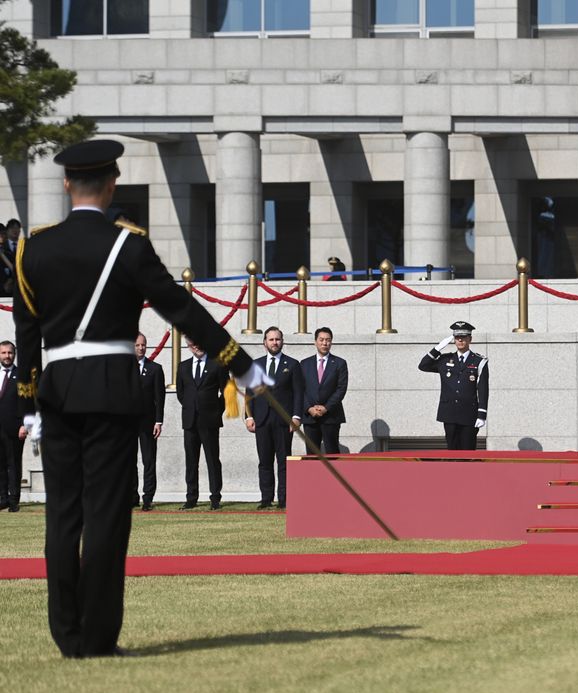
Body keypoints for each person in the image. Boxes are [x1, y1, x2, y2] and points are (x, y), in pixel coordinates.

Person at [11, 139, 264, 658]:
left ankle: (67, 636)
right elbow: (181, 311)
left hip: (57, 392)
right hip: (109, 389)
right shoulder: (128, 245)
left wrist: (31, 404)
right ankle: (98, 637)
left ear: (65, 185)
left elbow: (27, 335)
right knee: (105, 514)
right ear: (112, 184)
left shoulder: (33, 249)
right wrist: (241, 364)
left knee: (63, 515)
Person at [244, 326, 303, 508]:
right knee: (265, 461)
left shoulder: (293, 365)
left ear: (282, 341)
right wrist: (248, 417)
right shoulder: (256, 365)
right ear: (264, 343)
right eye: (271, 339)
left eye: (277, 339)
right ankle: (266, 499)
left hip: (284, 421)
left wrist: (296, 417)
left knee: (284, 462)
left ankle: (284, 500)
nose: (274, 342)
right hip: (261, 419)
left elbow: (299, 393)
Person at [418, 321, 489, 450]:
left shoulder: (479, 361)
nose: (460, 340)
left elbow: (483, 389)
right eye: (457, 337)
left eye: (464, 337)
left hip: (469, 414)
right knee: (452, 451)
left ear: (470, 339)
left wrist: (482, 414)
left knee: (468, 451)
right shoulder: (445, 360)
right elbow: (423, 366)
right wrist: (437, 349)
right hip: (449, 413)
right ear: (454, 340)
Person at [177, 338, 228, 510]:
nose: (196, 346)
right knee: (191, 461)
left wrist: (215, 410)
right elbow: (181, 393)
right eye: (192, 343)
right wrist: (191, 407)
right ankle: (191, 497)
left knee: (212, 460)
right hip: (190, 421)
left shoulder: (217, 364)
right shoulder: (183, 366)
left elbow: (226, 391)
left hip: (210, 421)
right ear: (188, 345)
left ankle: (215, 497)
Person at [300, 327, 348, 455]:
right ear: (315, 342)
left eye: (328, 340)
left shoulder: (340, 363)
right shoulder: (304, 364)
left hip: (331, 416)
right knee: (311, 455)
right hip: (310, 417)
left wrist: (326, 407)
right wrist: (309, 408)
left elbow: (341, 389)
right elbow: (300, 389)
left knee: (332, 453)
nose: (324, 343)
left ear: (331, 342)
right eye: (321, 340)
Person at [132, 333, 165, 511]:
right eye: (137, 345)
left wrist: (158, 421)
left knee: (149, 460)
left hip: (148, 422)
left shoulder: (155, 369)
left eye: (143, 345)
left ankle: (148, 497)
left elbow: (159, 399)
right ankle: (132, 496)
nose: (141, 348)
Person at [0, 340, 27, 512]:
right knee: (0, 464)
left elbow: (28, 402)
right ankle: (2, 498)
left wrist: (25, 425)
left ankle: (13, 500)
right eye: (3, 353)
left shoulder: (21, 375)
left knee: (14, 463)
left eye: (10, 353)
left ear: (14, 354)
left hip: (15, 428)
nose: (7, 356)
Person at [1, 219, 20, 295]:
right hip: (4, 288)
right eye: (12, 228)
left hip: (19, 287)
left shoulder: (25, 246)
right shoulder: (3, 246)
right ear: (7, 231)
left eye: (17, 228)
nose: (15, 230)